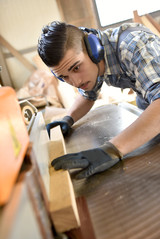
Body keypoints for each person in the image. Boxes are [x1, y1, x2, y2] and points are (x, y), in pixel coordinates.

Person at [38, 21, 160, 179]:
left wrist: (111, 150)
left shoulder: (135, 46)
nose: (75, 82)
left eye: (76, 68)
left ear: (94, 49)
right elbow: (87, 95)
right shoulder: (93, 64)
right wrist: (68, 119)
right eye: (64, 77)